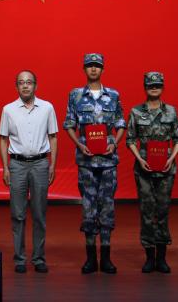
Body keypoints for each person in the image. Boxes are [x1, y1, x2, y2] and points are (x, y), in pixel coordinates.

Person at [63, 53, 126, 274]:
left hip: (108, 161)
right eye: (89, 65)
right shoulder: (76, 95)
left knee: (107, 206)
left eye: (97, 65)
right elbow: (69, 124)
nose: (93, 69)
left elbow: (120, 123)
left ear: (102, 69)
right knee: (88, 207)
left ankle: (106, 257)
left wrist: (114, 143)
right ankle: (90, 258)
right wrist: (79, 145)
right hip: (86, 160)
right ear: (84, 69)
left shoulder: (114, 95)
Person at [0, 69, 59, 274]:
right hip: (17, 165)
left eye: (29, 82)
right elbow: (3, 139)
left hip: (41, 164)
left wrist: (52, 165)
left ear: (35, 85)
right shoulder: (8, 110)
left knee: (39, 213)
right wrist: (5, 167)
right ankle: (20, 259)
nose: (25, 85)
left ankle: (39, 258)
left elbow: (53, 137)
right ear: (16, 86)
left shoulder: (47, 108)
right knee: (18, 214)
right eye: (21, 82)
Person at [125, 71, 178, 273]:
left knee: (163, 211)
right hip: (144, 169)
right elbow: (130, 139)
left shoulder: (171, 111)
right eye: (150, 85)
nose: (154, 88)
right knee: (147, 212)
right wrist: (139, 158)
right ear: (145, 88)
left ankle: (162, 257)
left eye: (157, 85)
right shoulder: (136, 112)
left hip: (166, 168)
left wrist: (171, 158)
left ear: (162, 87)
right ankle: (149, 256)